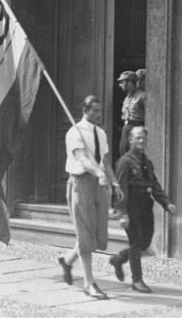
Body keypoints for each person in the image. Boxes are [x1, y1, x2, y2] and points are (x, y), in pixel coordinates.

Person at [57, 95, 123, 300]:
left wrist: (114, 182)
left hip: (99, 185)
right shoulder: (74, 132)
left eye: (100, 110)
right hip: (81, 183)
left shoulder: (101, 133)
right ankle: (89, 283)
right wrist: (99, 174)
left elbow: (105, 161)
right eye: (94, 110)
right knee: (85, 234)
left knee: (97, 236)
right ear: (85, 110)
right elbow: (83, 159)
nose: (99, 114)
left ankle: (67, 260)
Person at [109, 126, 176, 293]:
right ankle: (137, 280)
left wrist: (166, 203)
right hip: (131, 205)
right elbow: (120, 188)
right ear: (130, 140)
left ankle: (119, 259)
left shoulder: (147, 162)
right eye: (137, 138)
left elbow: (154, 185)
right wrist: (122, 213)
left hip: (145, 205)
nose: (141, 140)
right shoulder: (125, 161)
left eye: (143, 138)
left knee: (145, 242)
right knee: (136, 242)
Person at [118, 70, 146, 157]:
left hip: (136, 128)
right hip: (126, 128)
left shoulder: (142, 96)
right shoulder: (127, 98)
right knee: (124, 152)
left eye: (122, 82)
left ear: (129, 82)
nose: (120, 85)